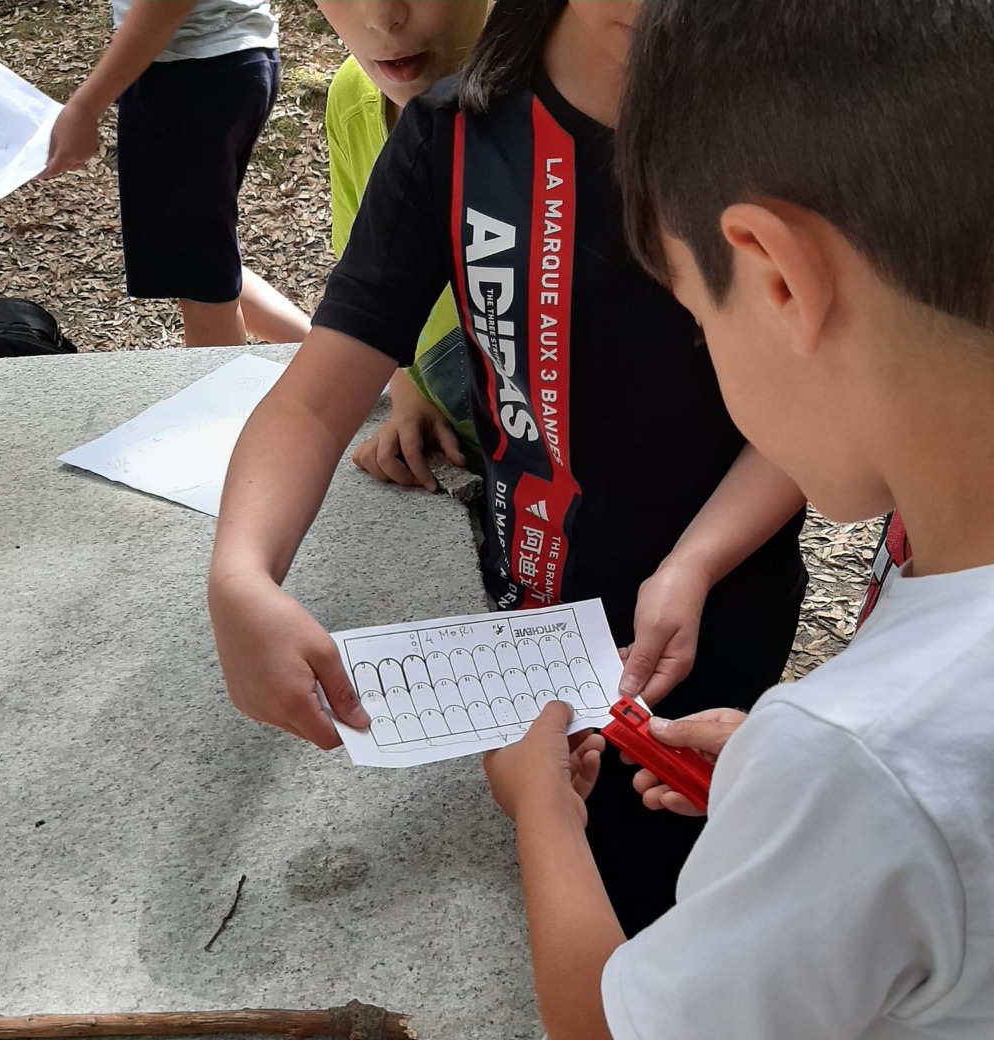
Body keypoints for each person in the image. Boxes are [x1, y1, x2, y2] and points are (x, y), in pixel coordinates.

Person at [481, 1, 994, 1040]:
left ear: (773, 275)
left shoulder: (861, 763)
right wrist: (785, 800)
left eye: (699, 320)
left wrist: (542, 816)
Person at [208, 0, 808, 939]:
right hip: (524, 631)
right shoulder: (455, 135)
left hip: (715, 634)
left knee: (684, 916)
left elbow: (819, 412)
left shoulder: (791, 135)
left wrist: (695, 562)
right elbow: (315, 398)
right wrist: (241, 574)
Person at [43, 0, 311, 347]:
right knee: (203, 261)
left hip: (191, 70)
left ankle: (237, 388)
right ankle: (334, 358)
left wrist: (86, 106)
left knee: (202, 281)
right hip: (217, 59)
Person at [315, 0, 488, 479]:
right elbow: (371, 295)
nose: (382, 17)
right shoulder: (353, 98)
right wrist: (407, 389)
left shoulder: (573, 103)